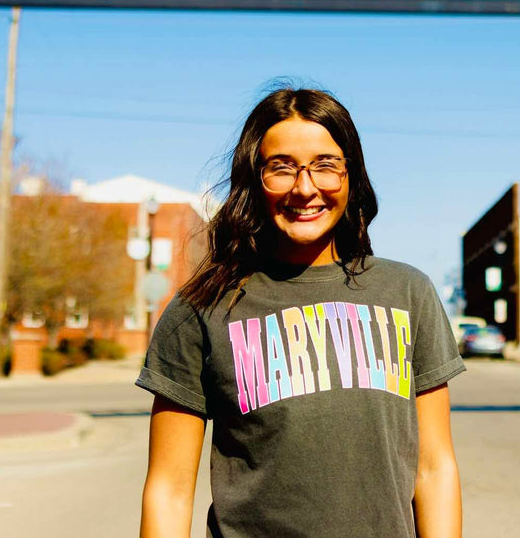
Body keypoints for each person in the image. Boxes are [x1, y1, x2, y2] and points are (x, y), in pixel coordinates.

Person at [137, 87, 465, 538]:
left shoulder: (407, 292)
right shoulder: (201, 308)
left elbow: (434, 467)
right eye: (281, 167)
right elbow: (170, 489)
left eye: (325, 165)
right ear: (254, 178)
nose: (305, 187)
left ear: (351, 176)